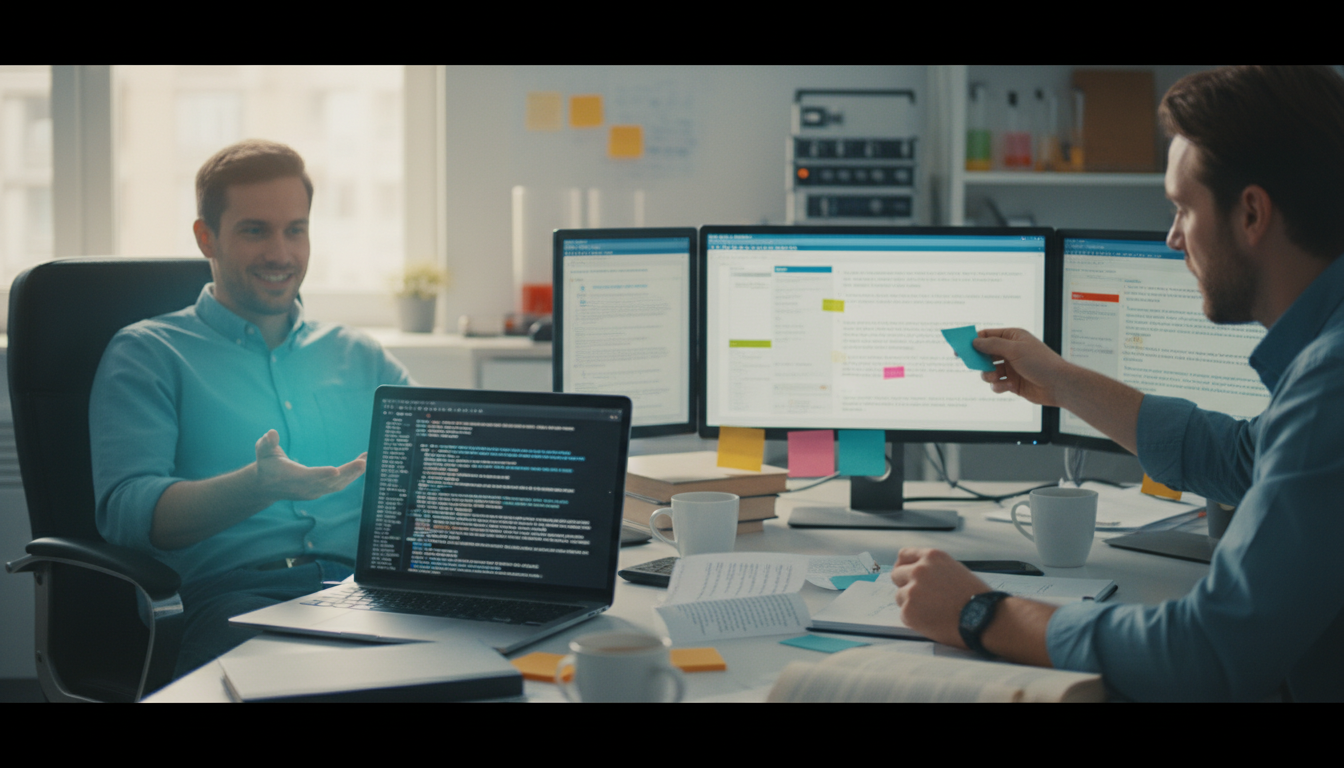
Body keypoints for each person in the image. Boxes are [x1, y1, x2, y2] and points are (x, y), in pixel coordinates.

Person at [891, 65, 1344, 701]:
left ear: (1251, 213)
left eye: (1183, 208)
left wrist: (981, 613)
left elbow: (1207, 652)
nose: (1172, 237)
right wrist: (1064, 382)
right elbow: (1245, 457)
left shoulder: (1333, 381)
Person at [90, 139, 412, 677]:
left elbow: (443, 451)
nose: (281, 254)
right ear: (206, 237)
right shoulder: (148, 353)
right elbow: (126, 514)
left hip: (373, 598)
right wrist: (257, 486)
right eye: (255, 230)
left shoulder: (360, 355)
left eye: (296, 229)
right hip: (238, 604)